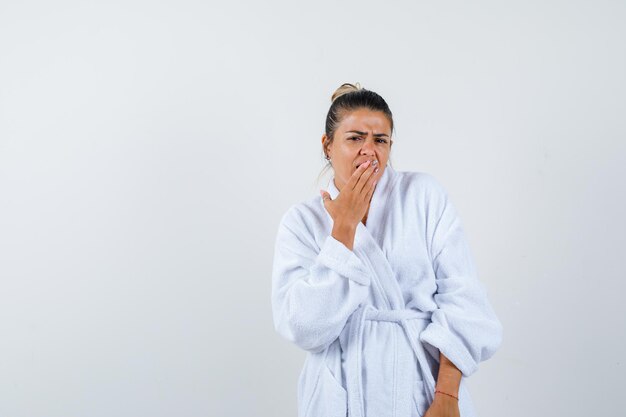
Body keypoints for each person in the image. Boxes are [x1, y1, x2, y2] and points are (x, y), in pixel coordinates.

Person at [271, 82, 503, 417]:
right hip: (340, 394)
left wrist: (447, 396)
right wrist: (343, 232)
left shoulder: (423, 195)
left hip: (423, 390)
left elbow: (464, 299)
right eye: (355, 138)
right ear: (327, 145)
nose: (369, 150)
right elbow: (304, 327)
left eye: (380, 140)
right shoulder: (301, 222)